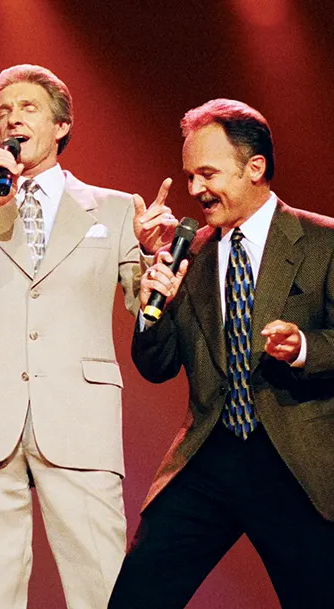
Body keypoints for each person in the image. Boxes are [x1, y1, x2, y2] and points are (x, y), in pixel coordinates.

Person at [0, 64, 175, 609]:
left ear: (62, 125)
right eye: (2, 112)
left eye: (28, 107)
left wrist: (152, 254)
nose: (12, 119)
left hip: (79, 416)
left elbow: (145, 307)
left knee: (102, 587)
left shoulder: (117, 210)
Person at [108, 99, 334, 608]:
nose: (194, 189)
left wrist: (304, 348)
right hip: (210, 453)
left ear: (255, 167)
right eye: (190, 176)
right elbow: (156, 366)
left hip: (295, 459)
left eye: (207, 174)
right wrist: (152, 304)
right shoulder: (190, 252)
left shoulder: (323, 242)